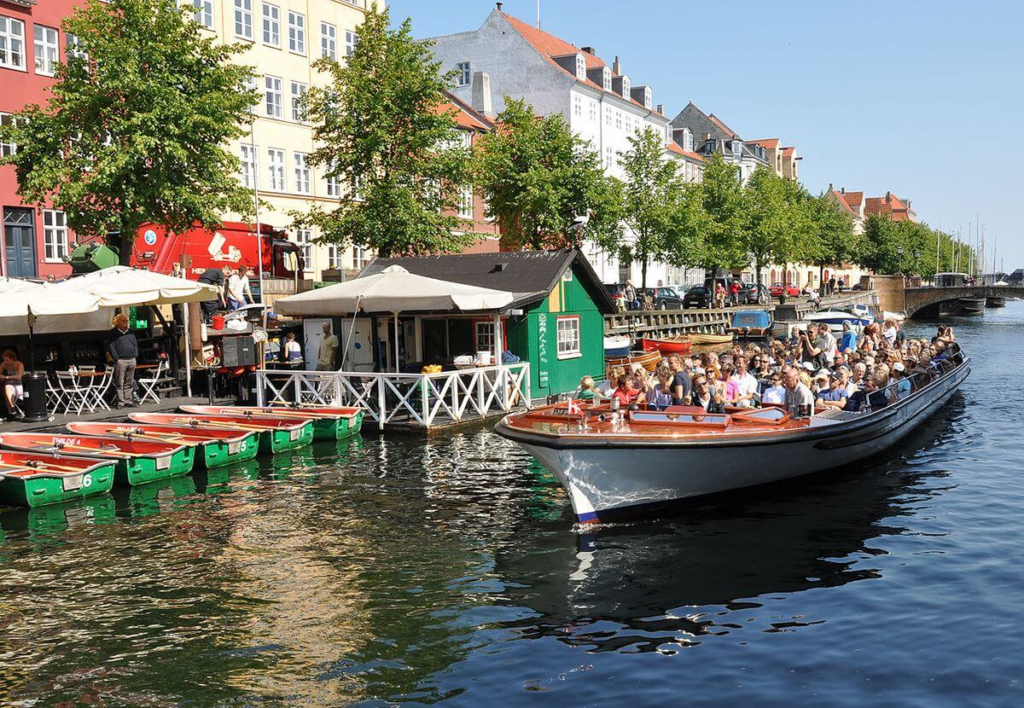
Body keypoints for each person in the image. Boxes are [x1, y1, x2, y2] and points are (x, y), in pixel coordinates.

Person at [108, 313, 139, 408]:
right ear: (118, 322)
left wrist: (135, 355)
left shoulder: (130, 332)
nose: (125, 322)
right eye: (123, 320)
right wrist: (117, 359)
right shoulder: (113, 333)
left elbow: (134, 344)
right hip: (121, 360)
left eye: (126, 320)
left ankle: (128, 400)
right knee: (119, 382)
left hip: (131, 359)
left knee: (129, 382)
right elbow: (111, 346)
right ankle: (121, 401)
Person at [1, 349, 25, 419]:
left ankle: (12, 409)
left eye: (7, 360)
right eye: (4, 360)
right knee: (6, 388)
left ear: (12, 359)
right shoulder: (4, 364)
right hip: (11, 384)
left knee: (7, 388)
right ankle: (12, 408)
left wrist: (6, 377)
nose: (5, 361)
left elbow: (19, 376)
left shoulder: (19, 364)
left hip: (20, 384)